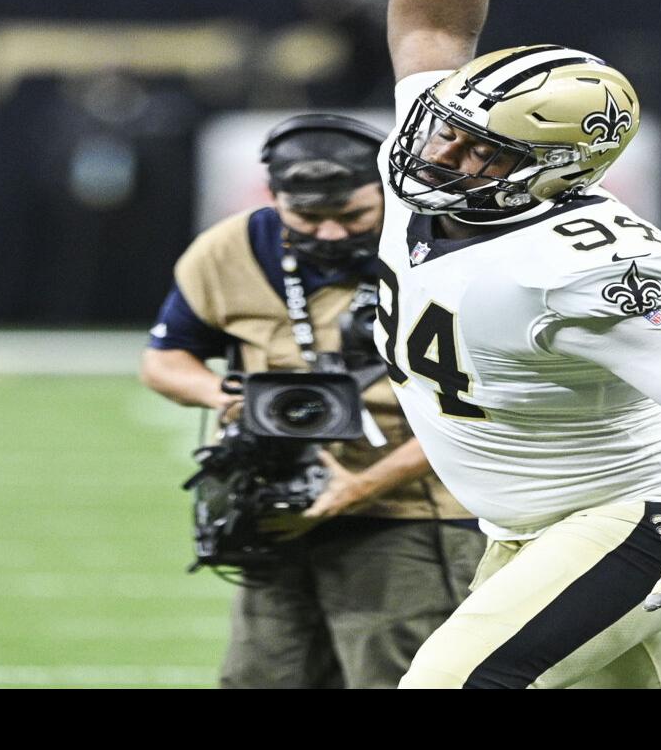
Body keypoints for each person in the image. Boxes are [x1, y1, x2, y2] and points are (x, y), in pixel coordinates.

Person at [374, 0, 661, 689]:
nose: (443, 154)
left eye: (482, 152)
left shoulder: (578, 266)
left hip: (640, 517)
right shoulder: (434, 142)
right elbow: (433, 22)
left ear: (556, 171)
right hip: (527, 527)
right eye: (446, 129)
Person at [140, 112, 484, 688]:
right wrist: (229, 397)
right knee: (261, 678)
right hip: (280, 500)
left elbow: (486, 414)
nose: (328, 233)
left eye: (351, 215)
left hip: (410, 513)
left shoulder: (450, 248)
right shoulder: (233, 246)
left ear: (388, 191)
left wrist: (359, 486)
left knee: (398, 677)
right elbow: (165, 357)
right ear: (273, 197)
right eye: (306, 216)